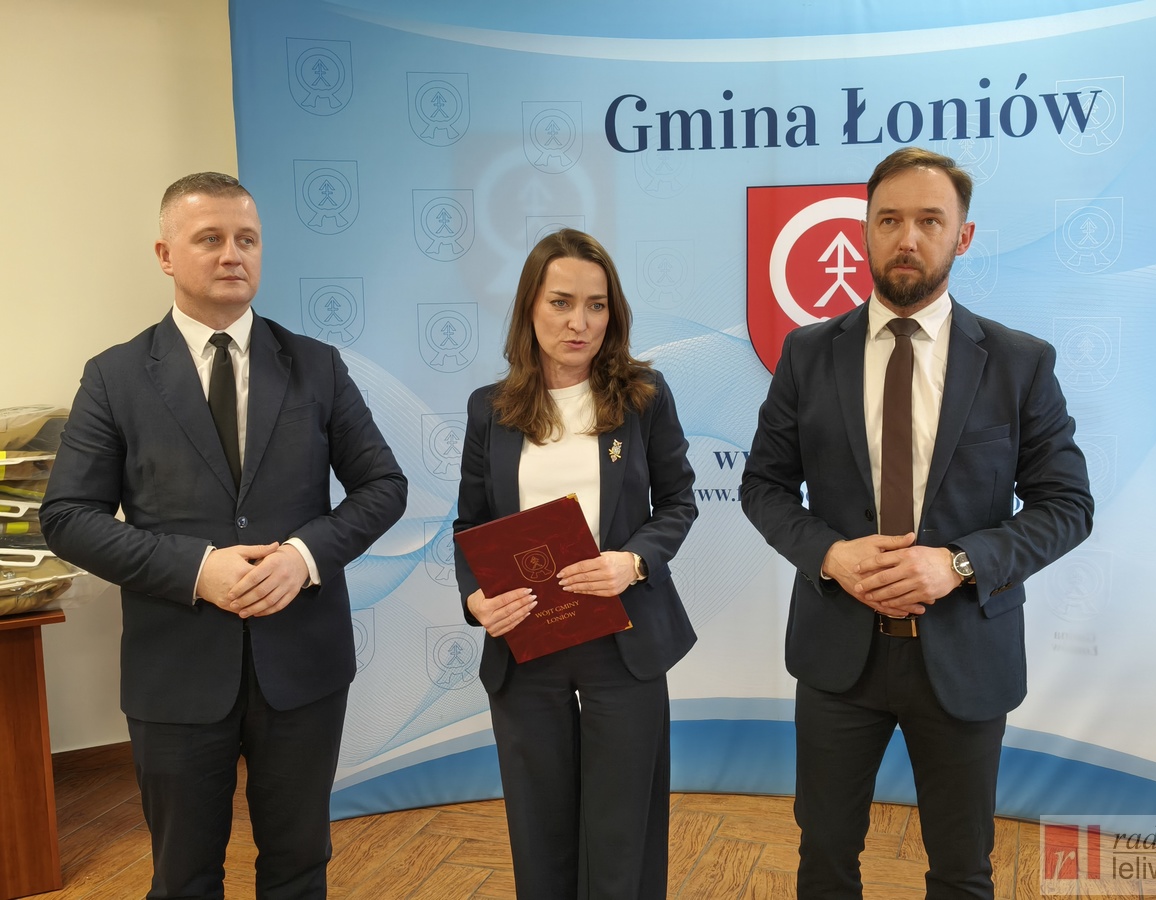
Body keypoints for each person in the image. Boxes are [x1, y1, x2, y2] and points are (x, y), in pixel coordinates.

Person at [41, 172, 408, 900]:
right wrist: (195, 569)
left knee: (298, 869)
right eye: (209, 238)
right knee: (182, 878)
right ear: (165, 254)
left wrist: (304, 557)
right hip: (175, 669)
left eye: (247, 239)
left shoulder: (316, 365)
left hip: (301, 663)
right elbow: (68, 516)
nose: (232, 254)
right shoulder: (115, 376)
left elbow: (383, 486)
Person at [740, 148, 1093, 899]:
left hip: (965, 657)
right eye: (889, 220)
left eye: (930, 221)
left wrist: (957, 563)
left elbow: (1068, 506)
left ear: (963, 236)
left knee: (962, 872)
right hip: (838, 657)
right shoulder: (807, 354)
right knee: (824, 860)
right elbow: (763, 486)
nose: (907, 238)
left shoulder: (1019, 363)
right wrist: (830, 554)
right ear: (864, 231)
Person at [453, 228, 697, 899]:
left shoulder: (644, 396)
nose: (579, 322)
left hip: (623, 640)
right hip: (526, 644)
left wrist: (633, 562)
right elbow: (470, 524)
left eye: (596, 305)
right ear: (530, 307)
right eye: (561, 303)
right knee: (540, 831)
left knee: (623, 833)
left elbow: (678, 503)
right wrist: (475, 598)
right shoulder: (490, 410)